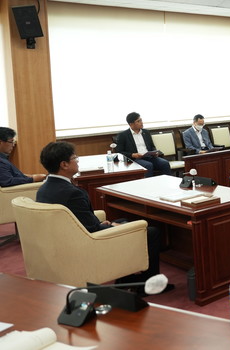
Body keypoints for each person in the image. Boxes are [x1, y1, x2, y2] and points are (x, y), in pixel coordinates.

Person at [36, 142, 170, 293]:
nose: (77, 161)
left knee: (123, 221)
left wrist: (103, 223)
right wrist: (109, 226)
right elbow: (91, 229)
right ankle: (146, 284)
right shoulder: (72, 193)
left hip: (65, 239)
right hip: (86, 242)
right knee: (150, 231)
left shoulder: (44, 188)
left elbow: (77, 219)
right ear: (64, 164)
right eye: (75, 158)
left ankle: (127, 277)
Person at [115, 112, 172, 177]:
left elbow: (152, 146)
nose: (141, 122)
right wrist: (133, 155)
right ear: (131, 124)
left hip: (149, 157)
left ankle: (167, 182)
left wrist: (154, 152)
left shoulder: (146, 132)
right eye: (138, 121)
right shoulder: (123, 135)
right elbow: (120, 152)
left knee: (165, 163)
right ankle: (148, 183)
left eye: (141, 120)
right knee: (148, 165)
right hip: (136, 159)